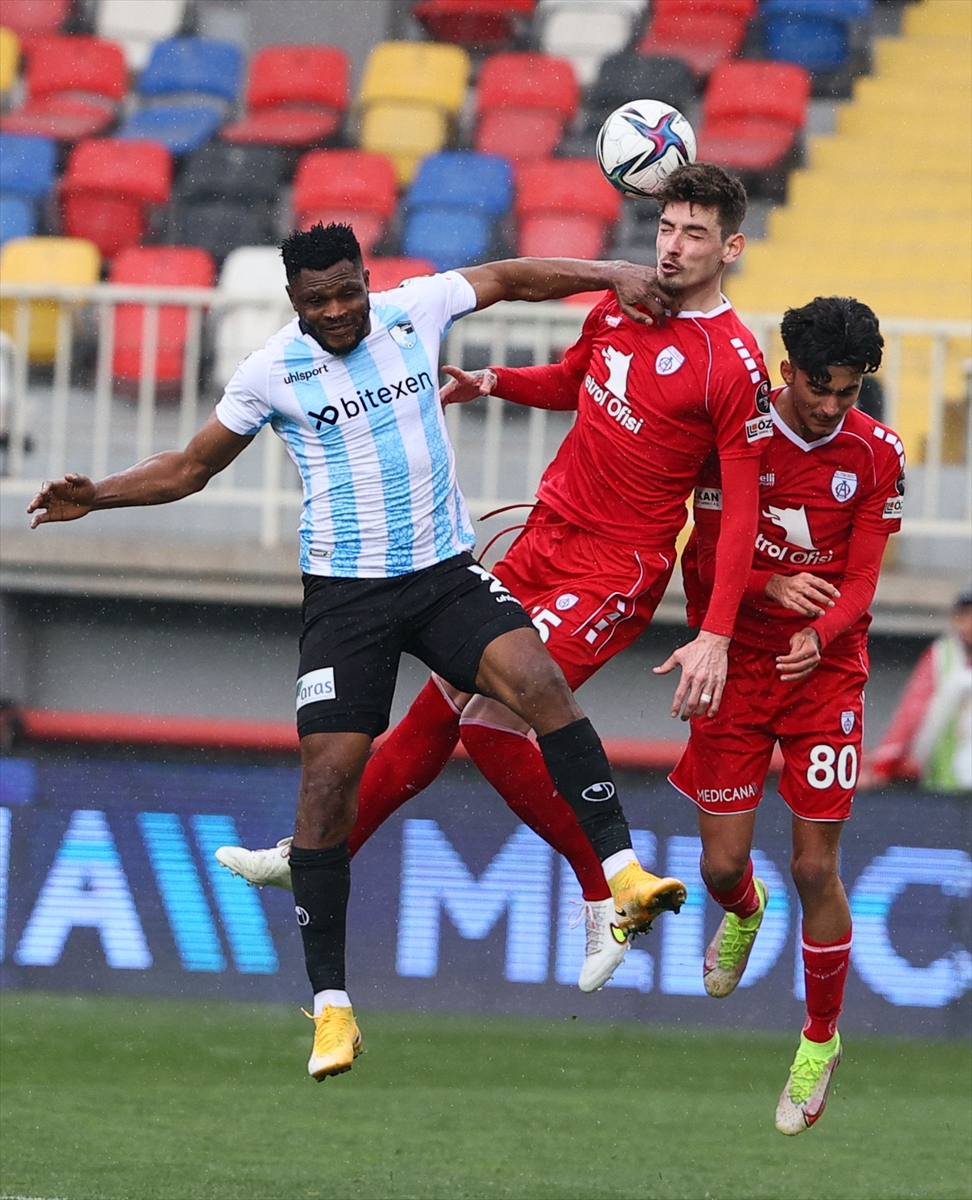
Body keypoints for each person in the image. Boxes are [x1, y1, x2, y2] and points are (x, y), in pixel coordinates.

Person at [27, 223, 689, 1080]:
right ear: (294, 301)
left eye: (348, 292)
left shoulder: (415, 311)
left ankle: (623, 873)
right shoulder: (271, 370)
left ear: (367, 280)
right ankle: (333, 1011)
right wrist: (100, 495)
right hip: (347, 601)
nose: (337, 310)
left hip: (443, 578)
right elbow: (191, 467)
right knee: (327, 788)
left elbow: (510, 276)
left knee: (538, 684)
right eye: (318, 301)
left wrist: (610, 272)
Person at [217, 163, 773, 990]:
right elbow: (577, 381)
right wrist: (494, 382)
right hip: (544, 535)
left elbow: (740, 508)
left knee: (490, 726)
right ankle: (316, 855)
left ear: (730, 248)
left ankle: (607, 890)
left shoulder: (733, 360)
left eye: (694, 234)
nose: (673, 247)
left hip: (615, 567)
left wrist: (716, 634)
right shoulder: (621, 304)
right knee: (437, 710)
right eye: (666, 228)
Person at [669, 296, 903, 1135]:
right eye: (820, 388)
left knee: (814, 868)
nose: (834, 406)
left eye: (849, 391)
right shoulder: (738, 438)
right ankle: (743, 911)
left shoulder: (877, 453)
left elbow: (865, 579)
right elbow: (703, 566)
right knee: (721, 867)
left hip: (825, 675)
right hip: (734, 664)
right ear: (786, 371)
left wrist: (820, 633)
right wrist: (768, 587)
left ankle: (819, 1040)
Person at [863, 587, 972, 792]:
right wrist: (885, 764)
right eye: (965, 615)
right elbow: (911, 712)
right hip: (943, 782)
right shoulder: (941, 656)